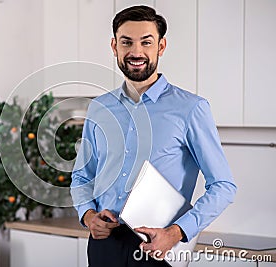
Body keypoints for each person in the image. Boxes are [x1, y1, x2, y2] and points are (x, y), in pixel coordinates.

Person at [70, 5, 237, 267]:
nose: (136, 52)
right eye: (127, 42)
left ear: (161, 46)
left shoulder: (191, 109)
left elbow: (224, 186)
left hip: (159, 249)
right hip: (104, 246)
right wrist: (88, 215)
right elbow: (81, 176)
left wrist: (176, 233)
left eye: (146, 42)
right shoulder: (99, 108)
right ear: (115, 47)